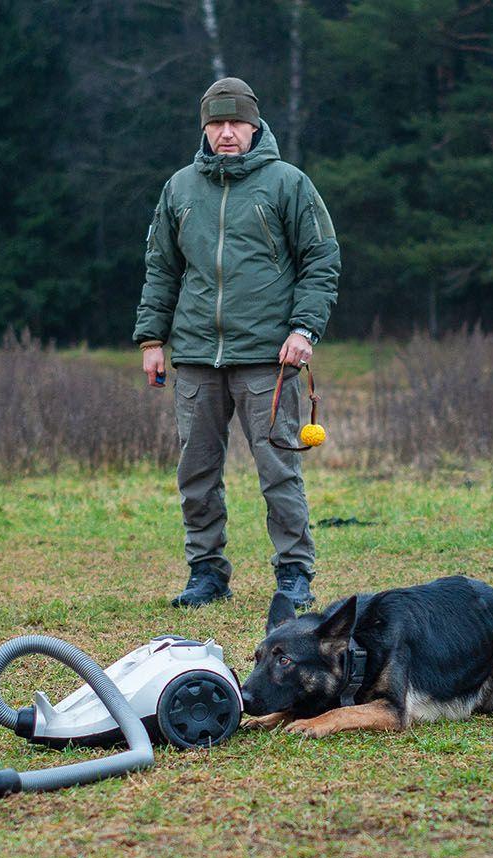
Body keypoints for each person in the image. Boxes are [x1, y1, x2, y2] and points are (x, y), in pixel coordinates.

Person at [134, 77, 341, 609]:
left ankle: (294, 573)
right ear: (204, 128)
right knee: (196, 471)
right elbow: (162, 268)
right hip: (197, 356)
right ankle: (206, 572)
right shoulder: (179, 188)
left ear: (254, 125)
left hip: (268, 357)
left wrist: (303, 329)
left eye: (236, 123)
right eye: (216, 123)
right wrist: (153, 338)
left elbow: (321, 261)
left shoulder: (288, 184)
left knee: (278, 471)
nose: (227, 133)